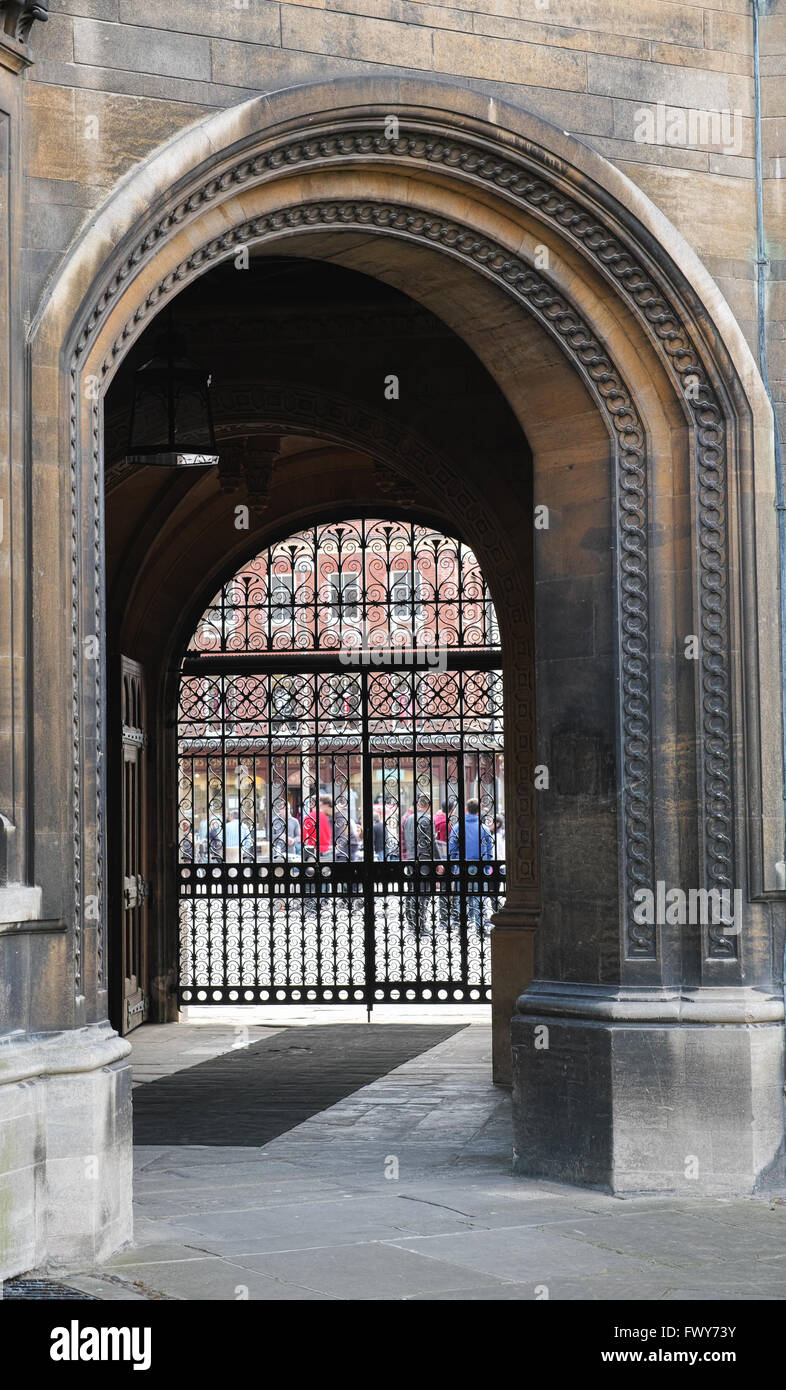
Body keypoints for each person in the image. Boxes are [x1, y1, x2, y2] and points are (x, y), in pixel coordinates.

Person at [449, 798, 494, 933]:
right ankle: (480, 926)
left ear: (466, 810)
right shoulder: (484, 829)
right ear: (479, 811)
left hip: (461, 866)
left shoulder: (457, 827)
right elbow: (489, 851)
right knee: (478, 896)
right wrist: (487, 867)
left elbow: (452, 847)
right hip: (479, 866)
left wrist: (453, 865)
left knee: (462, 897)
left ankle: (461, 926)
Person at [403, 793, 440, 936]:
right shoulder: (427, 819)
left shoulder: (408, 819)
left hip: (411, 858)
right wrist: (439, 861)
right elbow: (433, 843)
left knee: (412, 892)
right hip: (424, 860)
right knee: (423, 894)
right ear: (428, 806)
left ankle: (412, 923)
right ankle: (421, 926)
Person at [302, 794, 333, 858]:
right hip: (329, 849)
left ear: (311, 805)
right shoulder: (329, 816)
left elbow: (303, 838)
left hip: (313, 850)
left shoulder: (308, 817)